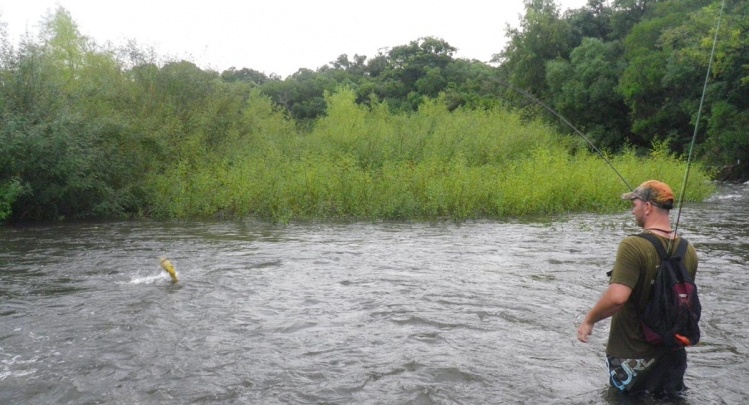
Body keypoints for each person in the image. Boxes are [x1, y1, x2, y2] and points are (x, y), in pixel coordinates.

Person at [577, 180, 699, 397]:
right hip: (673, 356)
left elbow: (617, 298)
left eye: (634, 204)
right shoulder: (689, 249)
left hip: (633, 356)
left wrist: (589, 320)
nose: (633, 211)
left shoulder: (632, 245)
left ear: (648, 206)